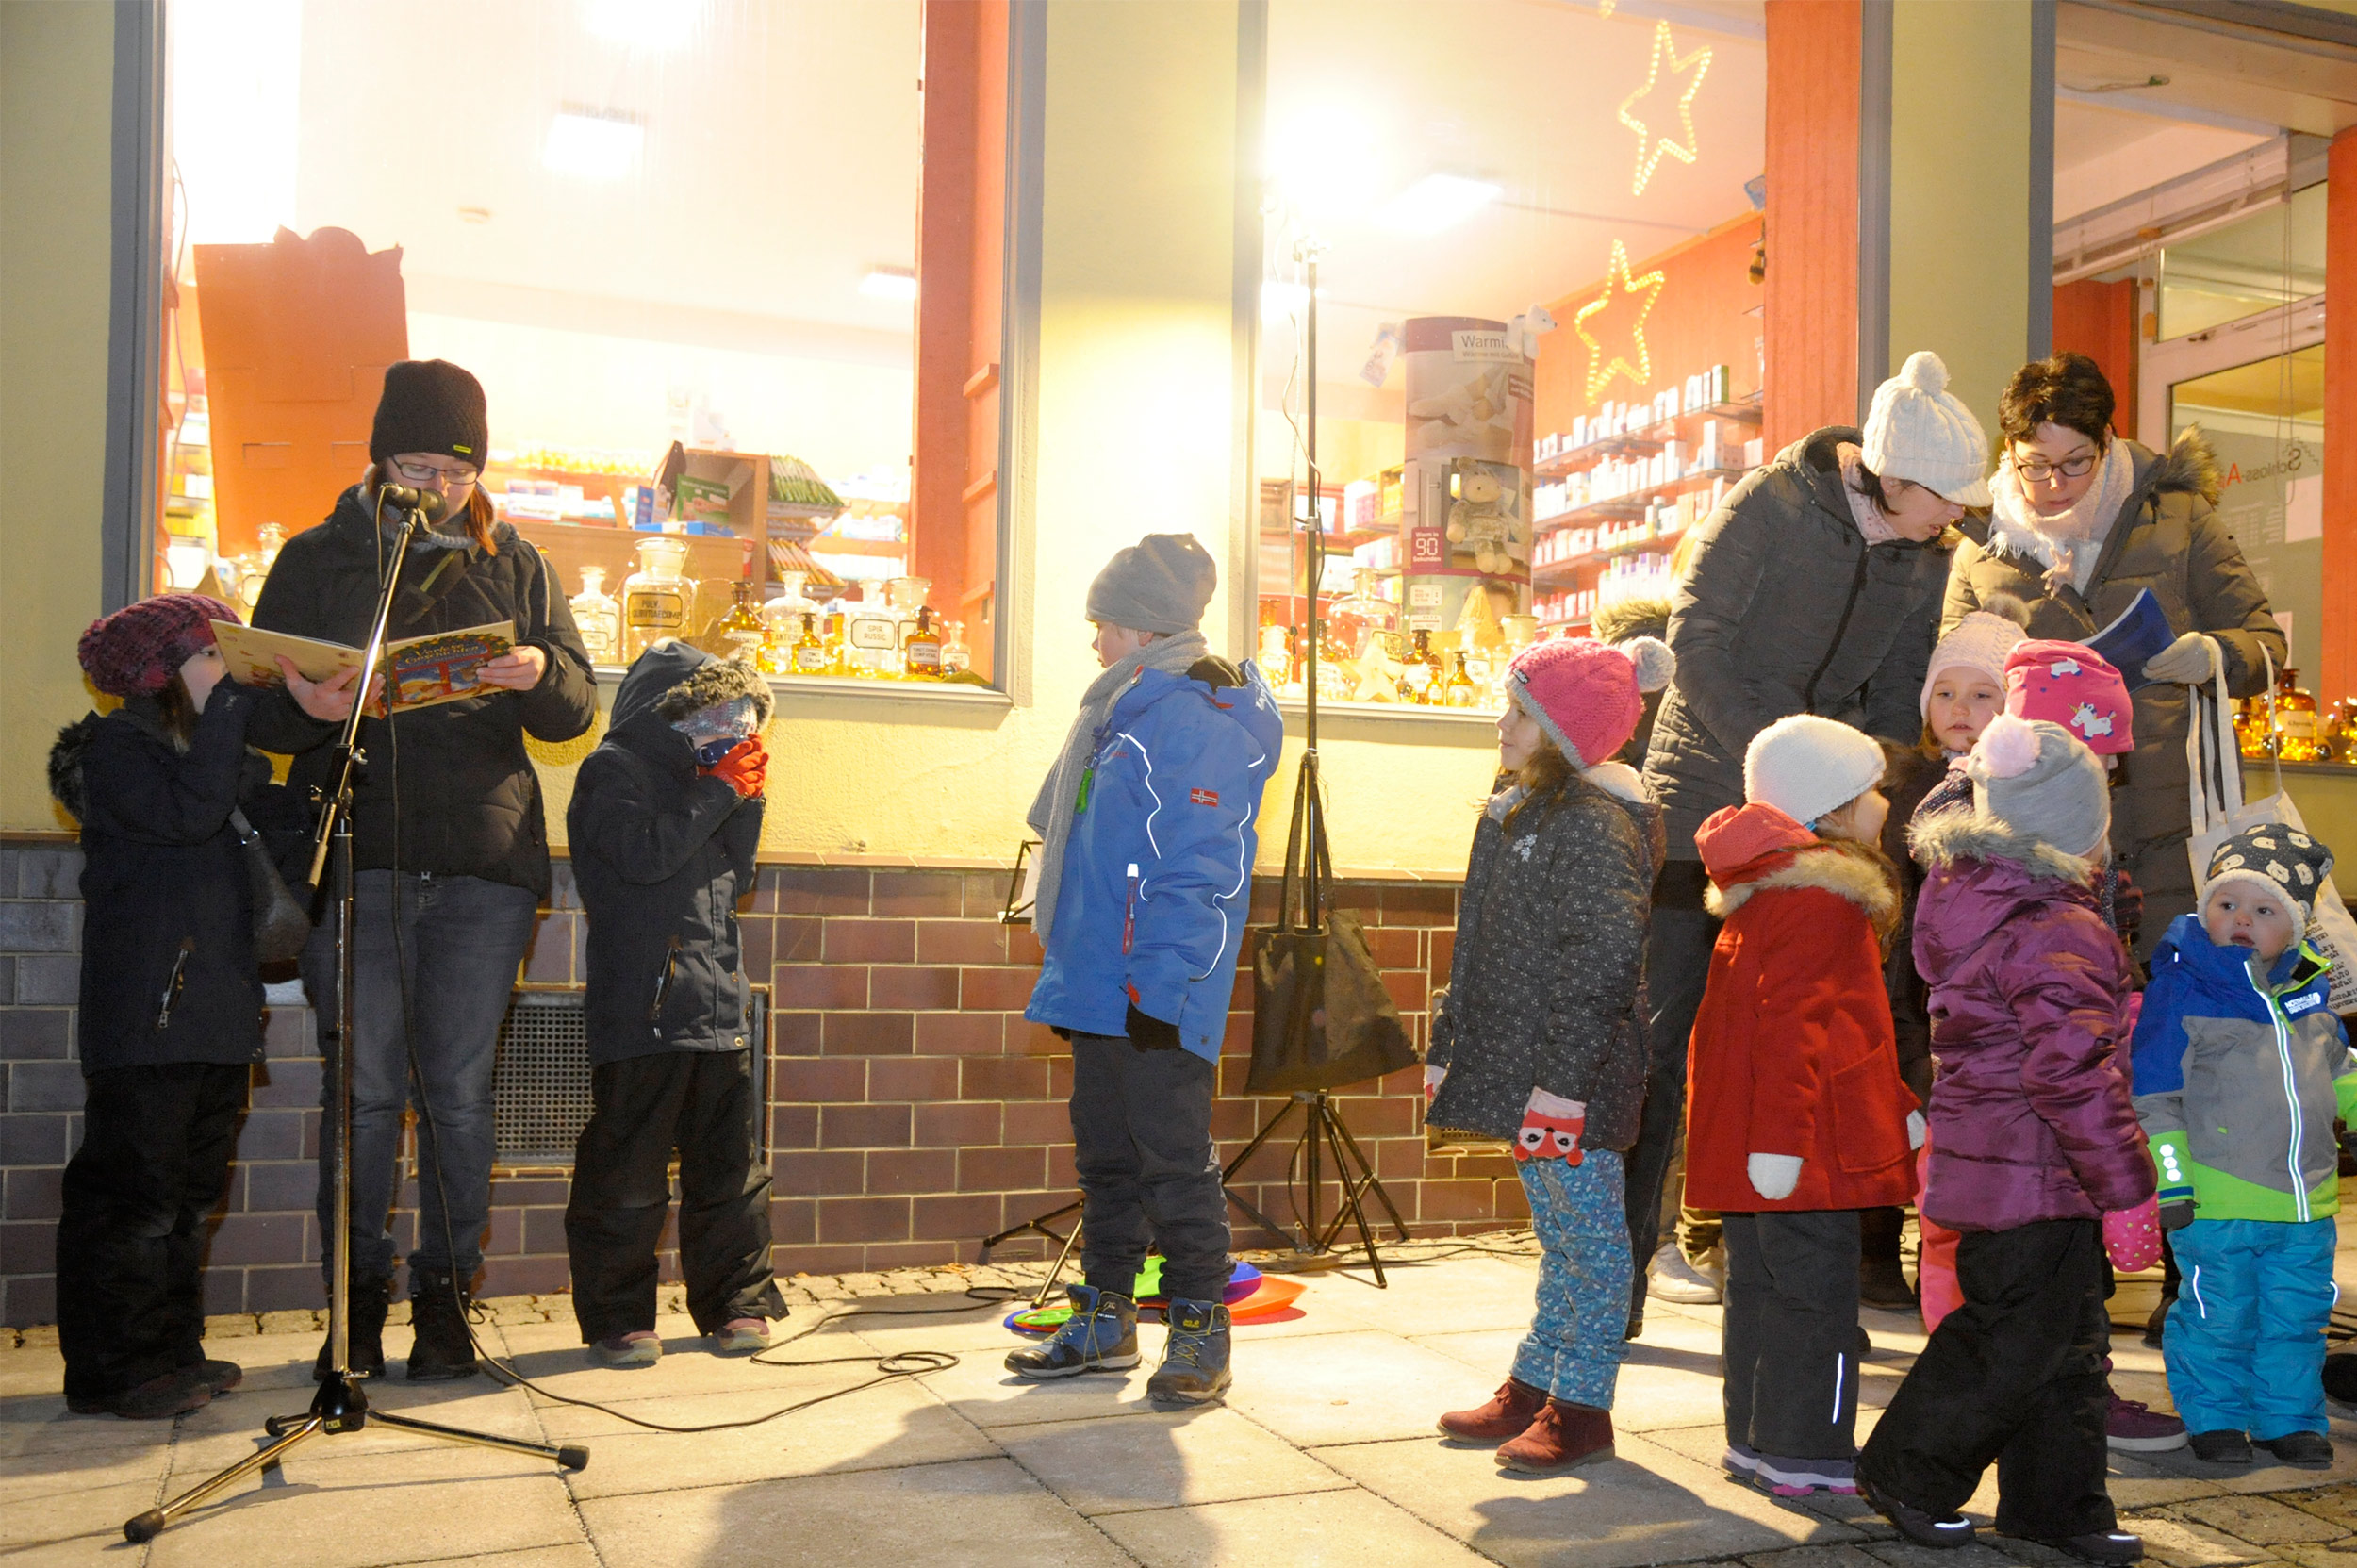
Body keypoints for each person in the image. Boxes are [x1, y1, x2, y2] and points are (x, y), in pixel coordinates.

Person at [250, 359, 599, 1381]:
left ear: (477, 471)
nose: (435, 487)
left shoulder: (520, 563)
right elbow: (260, 701)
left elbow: (575, 709)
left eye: (454, 469)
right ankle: (353, 1311)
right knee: (359, 1093)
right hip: (362, 856)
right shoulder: (318, 558)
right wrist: (305, 707)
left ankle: (445, 1304)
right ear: (377, 459)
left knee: (455, 1091)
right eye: (414, 464)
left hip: (485, 866)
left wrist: (542, 672)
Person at [1632, 350, 1986, 1332]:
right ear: (1891, 473)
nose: (1951, 519)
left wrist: (1854, 776)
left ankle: (1771, 1262)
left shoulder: (1926, 553)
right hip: (1704, 789)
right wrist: (1778, 758)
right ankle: (1620, 1266)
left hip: (1821, 817)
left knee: (1797, 1032)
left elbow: (1899, 681)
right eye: (1942, 499)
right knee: (1665, 1037)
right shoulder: (1771, 505)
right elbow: (1697, 640)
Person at [1859, 716, 2153, 1566]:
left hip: (2007, 1167)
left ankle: (2057, 1504)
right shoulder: (2055, 926)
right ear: (2074, 827)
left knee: (2069, 1346)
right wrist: (2127, 1187)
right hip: (2037, 1172)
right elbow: (2072, 1073)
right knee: (2011, 1339)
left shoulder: (1996, 901)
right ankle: (1907, 1469)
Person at [49, 596, 354, 1418]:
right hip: (146, 1017)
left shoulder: (220, 756)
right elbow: (185, 816)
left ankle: (171, 1350)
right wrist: (233, 714)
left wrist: (325, 732)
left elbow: (284, 847)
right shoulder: (121, 749)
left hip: (215, 1010)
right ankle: (112, 1367)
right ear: (163, 671)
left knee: (186, 1199)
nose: (230, 674)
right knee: (135, 1200)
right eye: (214, 656)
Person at [1011, 535, 1281, 1405]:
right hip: (1100, 980)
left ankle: (1202, 1325)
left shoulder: (1191, 718)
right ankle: (1106, 1317)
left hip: (1155, 990)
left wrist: (1160, 993)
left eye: (1101, 624)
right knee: (1108, 1159)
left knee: (1174, 1162)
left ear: (1139, 626)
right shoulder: (1120, 709)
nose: (1093, 643)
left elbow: (1199, 871)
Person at [1943, 352, 2284, 964]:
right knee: (2063, 1020)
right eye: (2034, 466)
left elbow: (2266, 645)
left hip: (2174, 822)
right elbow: (1952, 689)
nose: (2053, 485)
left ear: (2107, 440)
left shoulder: (2178, 517)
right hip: (2045, 833)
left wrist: (2213, 654)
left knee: (2179, 1014)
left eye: (2075, 463)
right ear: (2009, 453)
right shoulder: (1983, 550)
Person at [1427, 635, 1673, 1475]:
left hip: (1573, 1080)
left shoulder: (1597, 825)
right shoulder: (1522, 811)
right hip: (1526, 1070)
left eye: (1520, 713)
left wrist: (1564, 1089)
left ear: (1565, 732)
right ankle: (1535, 1381)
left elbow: (1603, 961)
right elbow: (1474, 943)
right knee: (1560, 1236)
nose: (1502, 725)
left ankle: (1584, 1406)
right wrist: (1447, 1041)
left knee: (1595, 1242)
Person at [1685, 715, 1921, 1498]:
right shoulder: (1823, 901)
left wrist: (1897, 1103)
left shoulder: (1767, 897)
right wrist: (1781, 1146)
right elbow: (1795, 1032)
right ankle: (1810, 1450)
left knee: (1758, 1291)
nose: (1885, 803)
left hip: (1765, 1143)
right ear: (1835, 806)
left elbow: (1831, 1027)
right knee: (1817, 1303)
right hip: (1803, 1150)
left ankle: (1755, 1439)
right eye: (1873, 789)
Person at [562, 643, 786, 1366]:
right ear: (673, 710)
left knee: (730, 1174)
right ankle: (618, 1318)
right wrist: (719, 789)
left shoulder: (708, 779)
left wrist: (744, 798)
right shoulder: (613, 770)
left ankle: (736, 1304)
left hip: (718, 1002)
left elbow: (736, 876)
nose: (726, 729)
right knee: (627, 1174)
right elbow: (642, 857)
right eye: (714, 713)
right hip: (644, 1010)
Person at [2129, 825, 2351, 1469]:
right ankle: (2217, 1414)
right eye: (2227, 905)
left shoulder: (2310, 996)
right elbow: (2156, 1093)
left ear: (2298, 926)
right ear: (2205, 912)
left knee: (2295, 1316)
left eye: (2264, 909)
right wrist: (2172, 1181)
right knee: (2217, 1314)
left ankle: (2289, 1417)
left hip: (2307, 1202)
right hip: (2217, 1197)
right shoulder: (2184, 990)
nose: (2242, 920)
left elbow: (2340, 1068)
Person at [1869, 596, 2032, 1312]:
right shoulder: (1904, 779)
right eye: (1944, 691)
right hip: (1906, 985)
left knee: (1965, 1137)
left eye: (1981, 693)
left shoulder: (2024, 783)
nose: (1959, 707)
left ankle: (1978, 1273)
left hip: (1987, 993)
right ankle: (1881, 1257)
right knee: (1902, 1119)